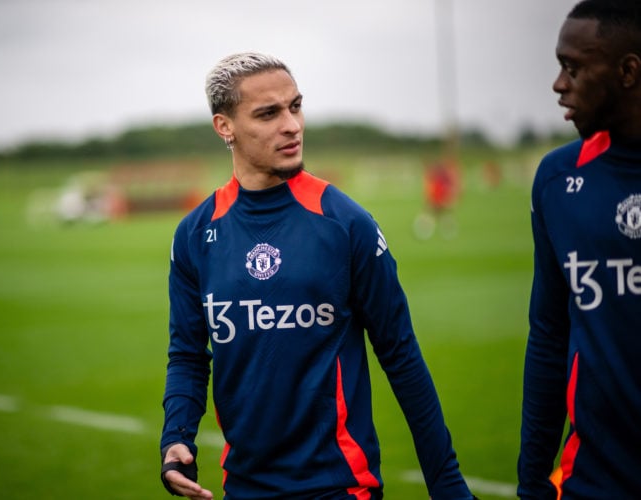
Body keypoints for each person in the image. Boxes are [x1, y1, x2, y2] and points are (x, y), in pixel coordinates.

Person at [159, 52, 475, 500]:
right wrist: (176, 438)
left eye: (295, 106)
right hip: (243, 488)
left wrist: (449, 487)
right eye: (268, 113)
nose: (291, 125)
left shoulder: (345, 223)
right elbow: (189, 356)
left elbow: (401, 357)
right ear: (224, 126)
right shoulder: (193, 234)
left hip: (340, 487)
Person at [518, 1, 641, 498]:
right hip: (592, 481)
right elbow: (548, 336)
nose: (558, 84)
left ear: (628, 71)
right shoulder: (557, 178)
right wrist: (531, 483)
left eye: (573, 68)